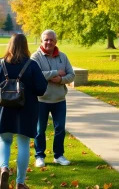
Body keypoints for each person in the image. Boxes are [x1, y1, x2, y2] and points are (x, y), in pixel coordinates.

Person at [0, 34, 47, 189]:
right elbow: (41, 89)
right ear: (25, 45)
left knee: (5, 141)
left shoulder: (1, 64)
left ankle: (4, 167)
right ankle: (20, 182)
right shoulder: (32, 65)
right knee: (24, 143)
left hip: (4, 108)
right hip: (26, 109)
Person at [32, 29, 75, 168]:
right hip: (41, 100)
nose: (49, 42)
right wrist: (55, 73)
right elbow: (35, 75)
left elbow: (71, 75)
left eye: (51, 40)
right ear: (41, 41)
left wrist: (61, 80)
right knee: (40, 130)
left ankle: (59, 155)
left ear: (56, 41)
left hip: (59, 100)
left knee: (60, 129)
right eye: (46, 39)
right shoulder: (35, 57)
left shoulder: (63, 57)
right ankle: (39, 156)